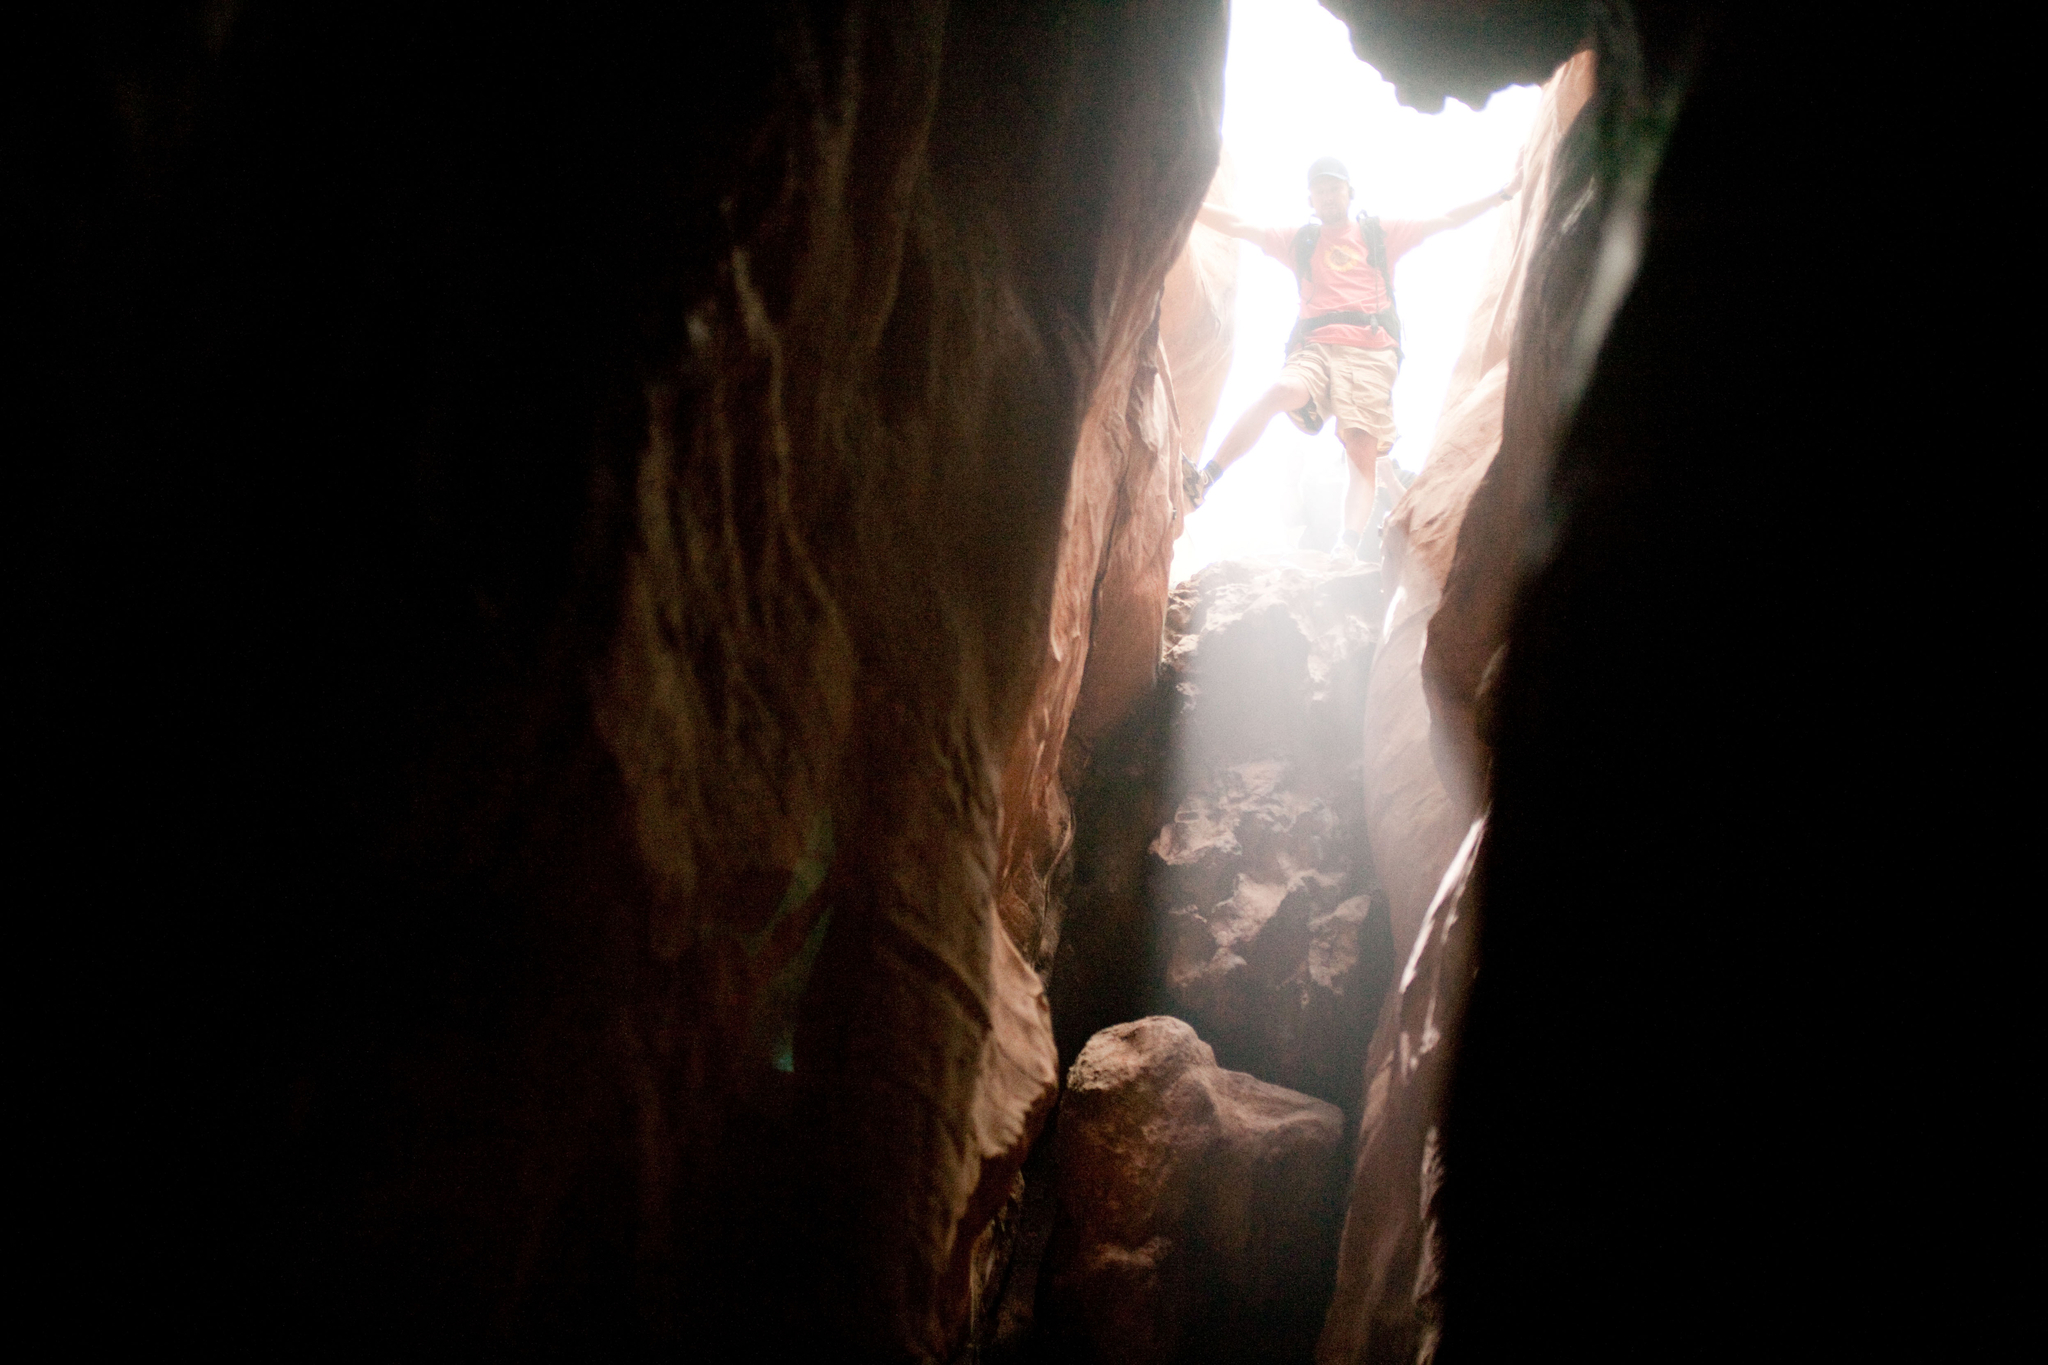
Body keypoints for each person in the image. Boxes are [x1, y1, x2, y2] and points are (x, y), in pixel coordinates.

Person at [1185, 155, 1520, 557]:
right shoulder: (1301, 240)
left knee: (1361, 447)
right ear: (1311, 199)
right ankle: (1205, 478)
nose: (1327, 197)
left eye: (1334, 188)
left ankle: (1346, 546)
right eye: (1320, 191)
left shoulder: (1378, 235)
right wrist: (1184, 203)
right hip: (1316, 346)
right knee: (1278, 391)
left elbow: (1445, 218)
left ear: (1349, 192)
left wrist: (1501, 195)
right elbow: (1240, 225)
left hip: (1370, 351)